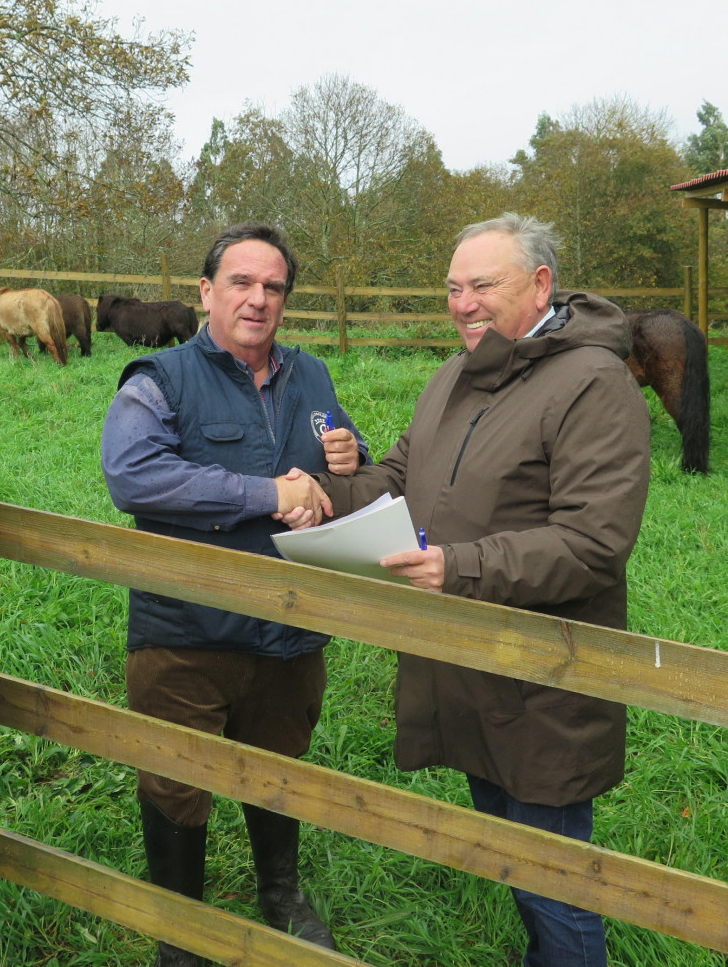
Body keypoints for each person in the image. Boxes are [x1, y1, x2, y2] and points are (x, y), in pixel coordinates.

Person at [310, 213, 651, 967]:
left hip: (541, 683)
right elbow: (398, 476)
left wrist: (456, 567)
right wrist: (327, 494)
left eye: (481, 285)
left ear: (538, 284)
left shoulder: (593, 384)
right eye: (452, 288)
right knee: (508, 852)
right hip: (464, 667)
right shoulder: (456, 374)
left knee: (552, 880)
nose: (461, 303)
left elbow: (593, 543)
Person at [101, 221, 370, 966]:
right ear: (205, 291)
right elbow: (132, 475)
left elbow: (342, 459)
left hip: (288, 629)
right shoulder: (157, 379)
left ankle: (278, 895)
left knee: (277, 766)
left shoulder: (311, 375)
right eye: (241, 282)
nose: (257, 299)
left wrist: (350, 455)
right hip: (184, 631)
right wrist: (264, 491)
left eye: (273, 286)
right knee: (174, 779)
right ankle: (180, 931)